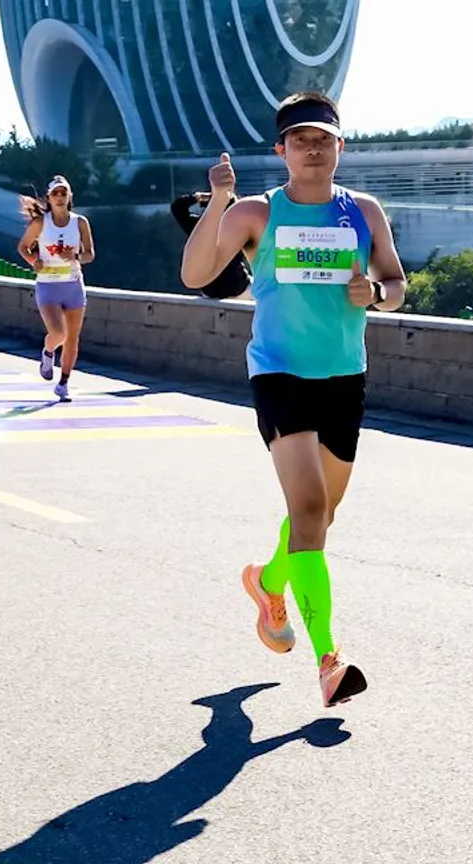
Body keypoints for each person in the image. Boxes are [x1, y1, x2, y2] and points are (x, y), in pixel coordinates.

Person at [179, 91, 409, 708]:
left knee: (320, 518)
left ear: (340, 146)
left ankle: (267, 582)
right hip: (280, 375)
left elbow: (396, 282)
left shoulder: (363, 211)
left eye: (324, 138)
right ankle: (329, 661)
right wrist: (220, 201)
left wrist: (378, 295)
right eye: (301, 139)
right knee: (308, 509)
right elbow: (195, 274)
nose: (314, 147)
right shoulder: (256, 213)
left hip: (344, 377)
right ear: (281, 150)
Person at [18, 176, 96, 402]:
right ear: (49, 198)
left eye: (64, 193)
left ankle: (63, 384)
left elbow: (90, 254)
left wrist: (76, 256)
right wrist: (34, 261)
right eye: (56, 194)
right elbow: (23, 247)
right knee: (58, 333)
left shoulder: (80, 222)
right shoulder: (41, 223)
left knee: (72, 338)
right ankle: (48, 351)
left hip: (73, 284)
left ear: (69, 197)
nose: (60, 198)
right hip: (48, 285)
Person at [171, 191, 250, 299]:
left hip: (210, 291)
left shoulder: (198, 228)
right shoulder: (240, 229)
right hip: (238, 287)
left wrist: (206, 197)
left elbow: (177, 207)